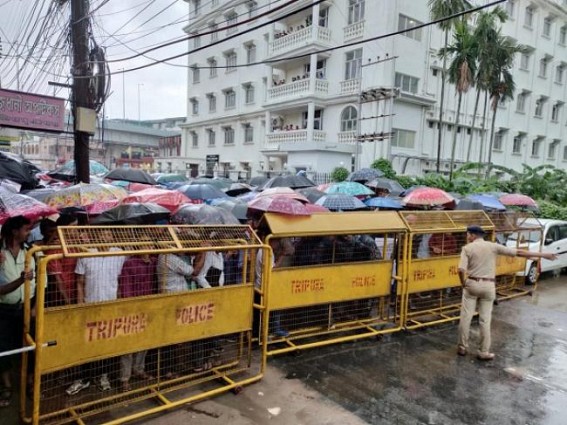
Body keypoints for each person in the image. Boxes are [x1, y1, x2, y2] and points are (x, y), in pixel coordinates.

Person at [457, 225, 557, 361]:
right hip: (488, 286)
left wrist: (463, 283)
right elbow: (519, 253)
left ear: (473, 235)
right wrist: (544, 255)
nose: (467, 237)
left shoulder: (467, 248)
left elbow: (461, 269)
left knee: (466, 317)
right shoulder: (493, 246)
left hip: (472, 284)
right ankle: (483, 352)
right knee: (485, 320)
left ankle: (462, 347)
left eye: (468, 234)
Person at [66, 230, 126, 395]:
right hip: (89, 306)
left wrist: (120, 303)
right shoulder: (86, 254)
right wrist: (80, 305)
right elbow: (79, 282)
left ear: (112, 237)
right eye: (100, 234)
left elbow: (120, 280)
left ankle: (103, 376)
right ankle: (83, 378)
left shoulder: (120, 253)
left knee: (106, 343)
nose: (103, 236)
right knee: (86, 343)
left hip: (110, 305)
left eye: (107, 234)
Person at [0, 216, 35, 407]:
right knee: (3, 348)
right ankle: (7, 386)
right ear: (15, 231)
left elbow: (40, 279)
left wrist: (36, 305)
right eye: (25, 229)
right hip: (4, 309)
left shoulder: (30, 251)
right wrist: (21, 281)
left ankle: (30, 383)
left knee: (30, 347)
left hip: (27, 308)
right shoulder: (0, 253)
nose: (28, 232)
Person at [117, 253, 157, 392]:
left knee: (144, 342)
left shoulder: (153, 262)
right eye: (143, 245)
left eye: (149, 246)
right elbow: (126, 287)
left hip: (148, 307)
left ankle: (139, 369)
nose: (147, 249)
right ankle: (125, 378)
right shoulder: (130, 263)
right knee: (128, 345)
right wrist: (130, 308)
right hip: (132, 308)